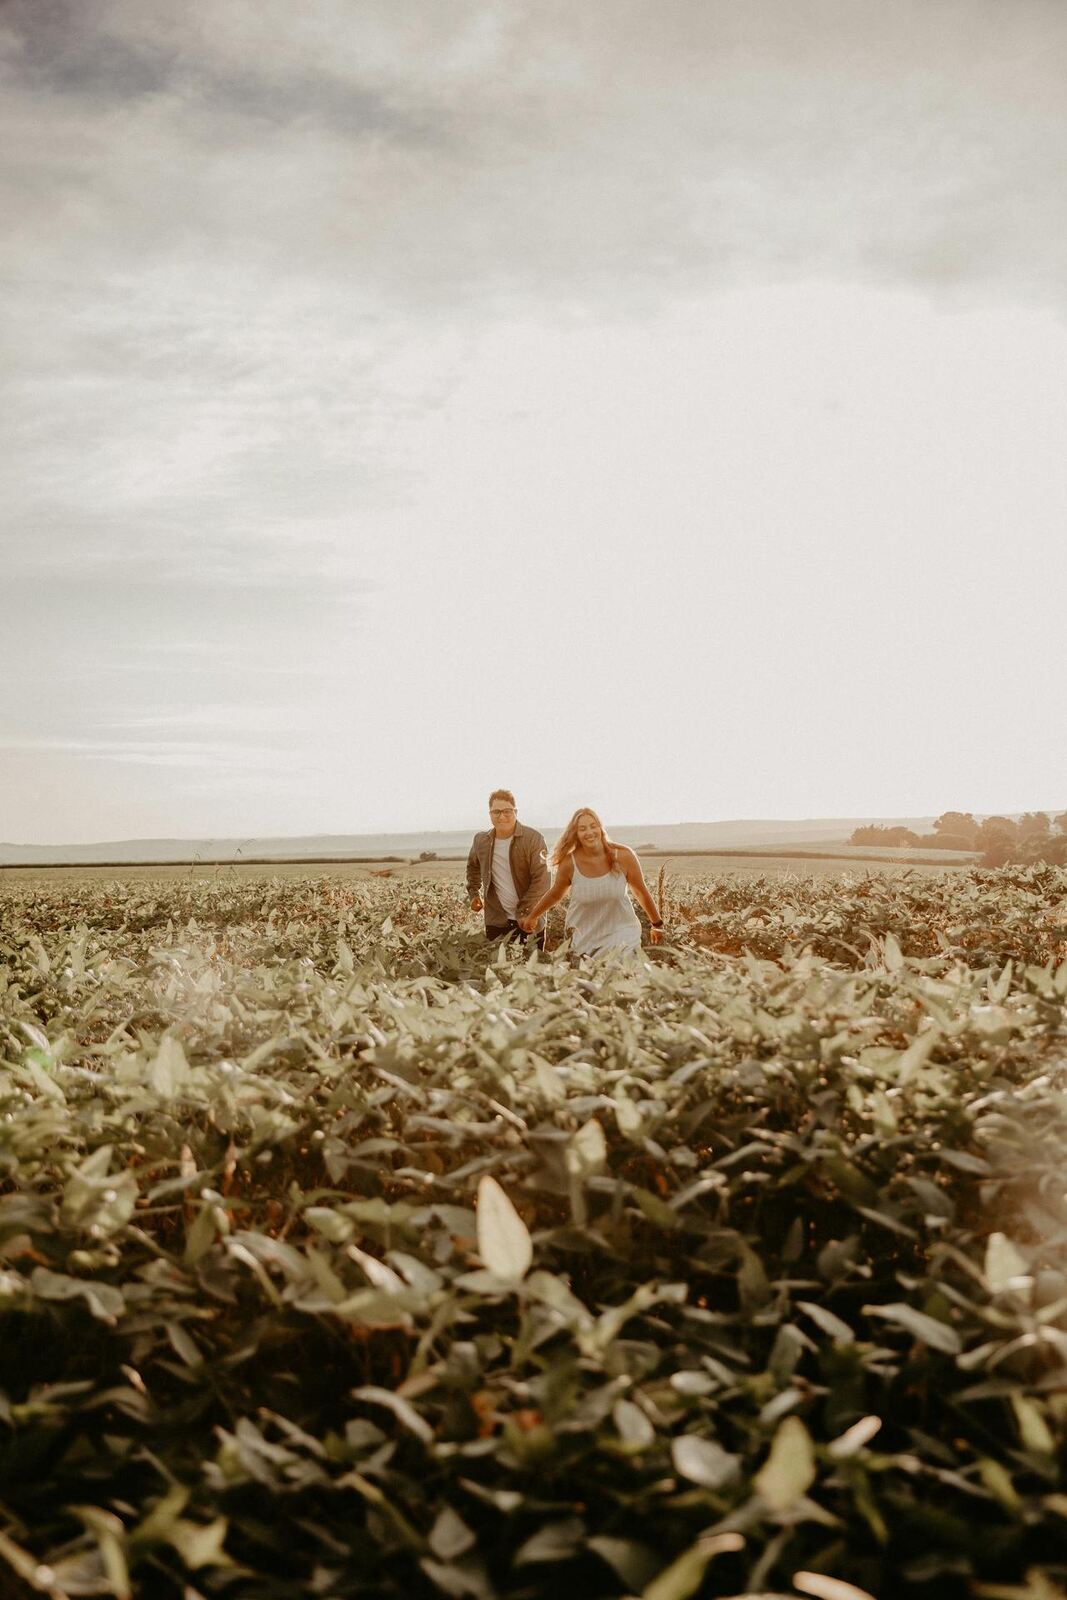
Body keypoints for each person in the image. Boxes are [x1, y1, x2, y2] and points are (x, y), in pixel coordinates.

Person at [519, 807, 665, 956]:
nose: (589, 832)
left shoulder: (624, 856)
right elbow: (555, 894)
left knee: (622, 970)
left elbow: (640, 891)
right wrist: (533, 916)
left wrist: (657, 924)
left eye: (593, 826)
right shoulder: (570, 863)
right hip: (583, 938)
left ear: (600, 828)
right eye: (582, 829)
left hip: (623, 934)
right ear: (576, 834)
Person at [466, 789, 551, 947]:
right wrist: (474, 893)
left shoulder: (533, 838)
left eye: (507, 811)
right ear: (490, 814)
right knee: (498, 970)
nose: (502, 816)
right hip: (497, 922)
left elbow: (543, 880)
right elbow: (472, 867)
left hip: (529, 919)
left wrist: (526, 912)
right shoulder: (481, 841)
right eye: (496, 812)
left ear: (516, 812)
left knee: (533, 970)